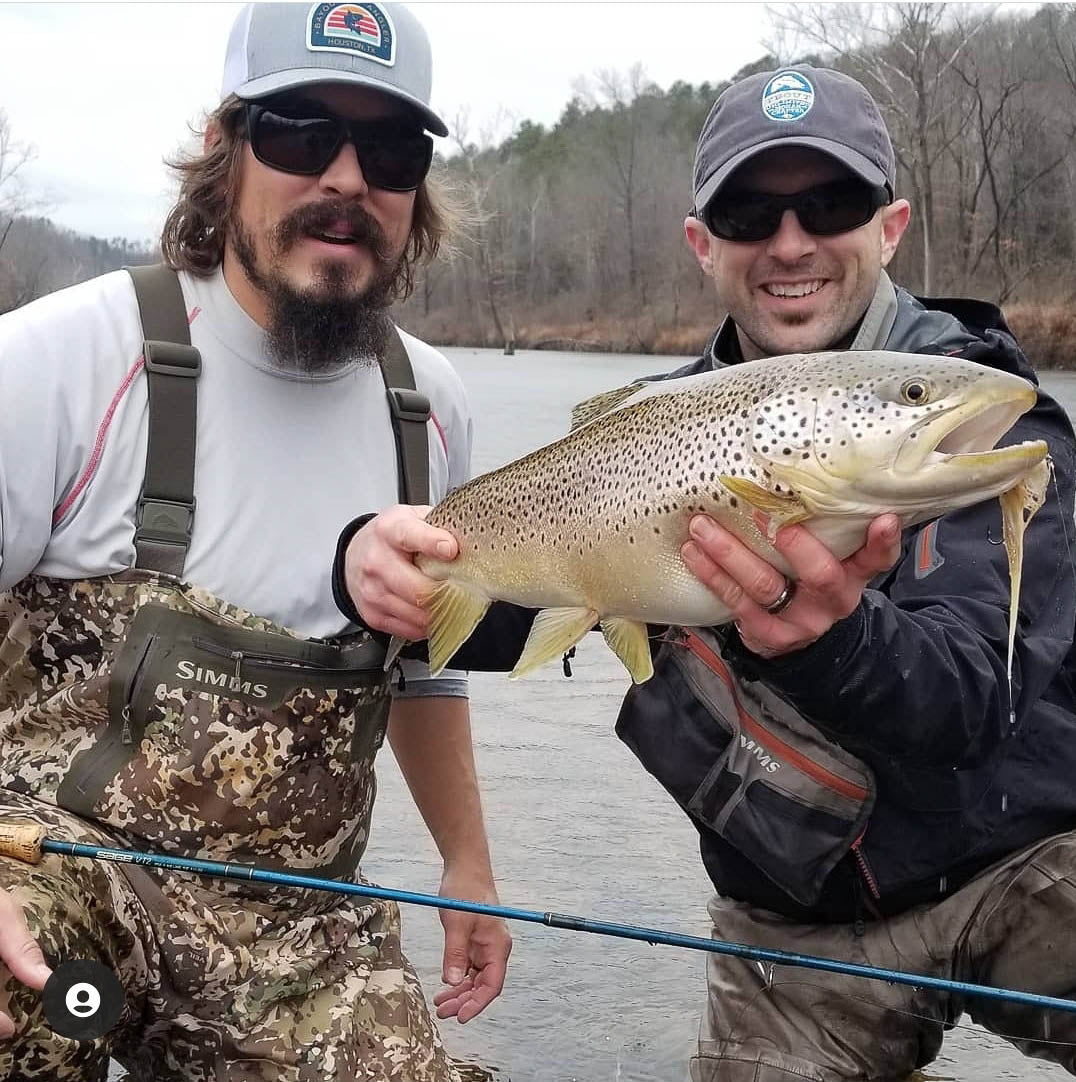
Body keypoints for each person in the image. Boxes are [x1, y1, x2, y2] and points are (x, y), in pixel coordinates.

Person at [337, 65, 1076, 1081]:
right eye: (747, 211)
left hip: (1024, 866)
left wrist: (835, 639)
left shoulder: (985, 427)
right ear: (701, 241)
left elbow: (969, 702)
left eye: (829, 203)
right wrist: (376, 576)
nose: (788, 241)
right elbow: (517, 598)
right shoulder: (659, 431)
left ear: (889, 224)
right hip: (794, 923)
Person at [0, 3, 511, 1080]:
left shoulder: (432, 409)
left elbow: (426, 672)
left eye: (388, 149)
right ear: (224, 155)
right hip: (63, 899)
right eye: (296, 131)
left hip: (292, 952)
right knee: (27, 1009)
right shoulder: (60, 361)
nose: (343, 177)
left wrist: (468, 866)